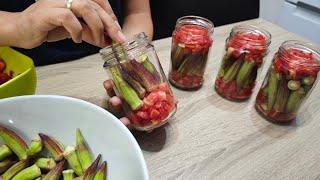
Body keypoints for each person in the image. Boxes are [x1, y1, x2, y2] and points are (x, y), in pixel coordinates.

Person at [0, 0, 153, 128]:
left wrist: (130, 66)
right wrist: (17, 25)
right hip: (27, 79)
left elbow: (137, 14)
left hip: (103, 64)